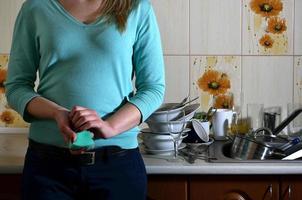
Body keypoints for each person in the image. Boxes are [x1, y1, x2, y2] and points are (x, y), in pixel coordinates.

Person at [5, 0, 165, 199]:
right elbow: (16, 86)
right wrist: (57, 113)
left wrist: (110, 127)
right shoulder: (36, 7)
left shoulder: (137, 8)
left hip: (117, 165)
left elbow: (153, 89)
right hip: (48, 167)